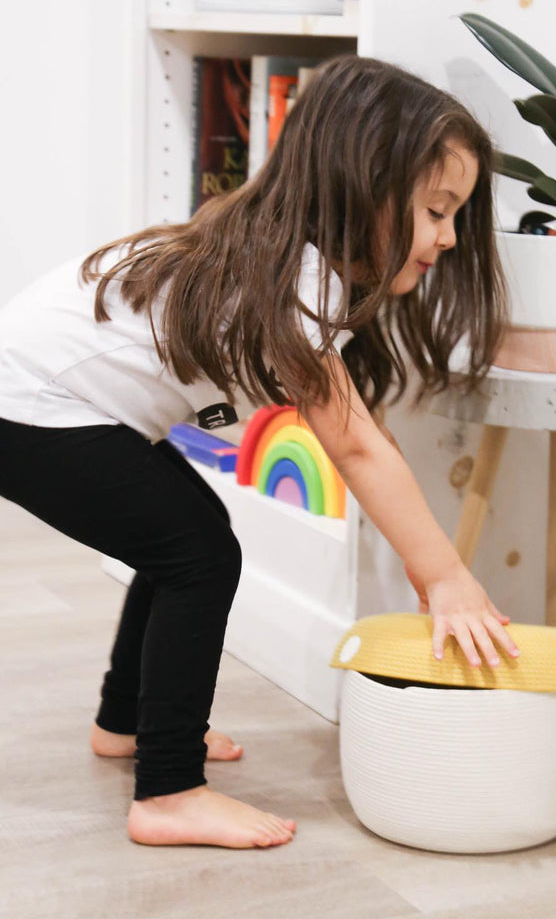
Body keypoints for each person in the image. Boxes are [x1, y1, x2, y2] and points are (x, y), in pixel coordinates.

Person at [0, 55, 517, 851]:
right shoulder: (297, 278)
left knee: (183, 537)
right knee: (197, 553)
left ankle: (127, 723)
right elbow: (358, 449)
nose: (448, 237)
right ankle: (168, 792)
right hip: (33, 402)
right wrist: (445, 577)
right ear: (364, 186)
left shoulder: (285, 255)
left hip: (42, 396)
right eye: (436, 210)